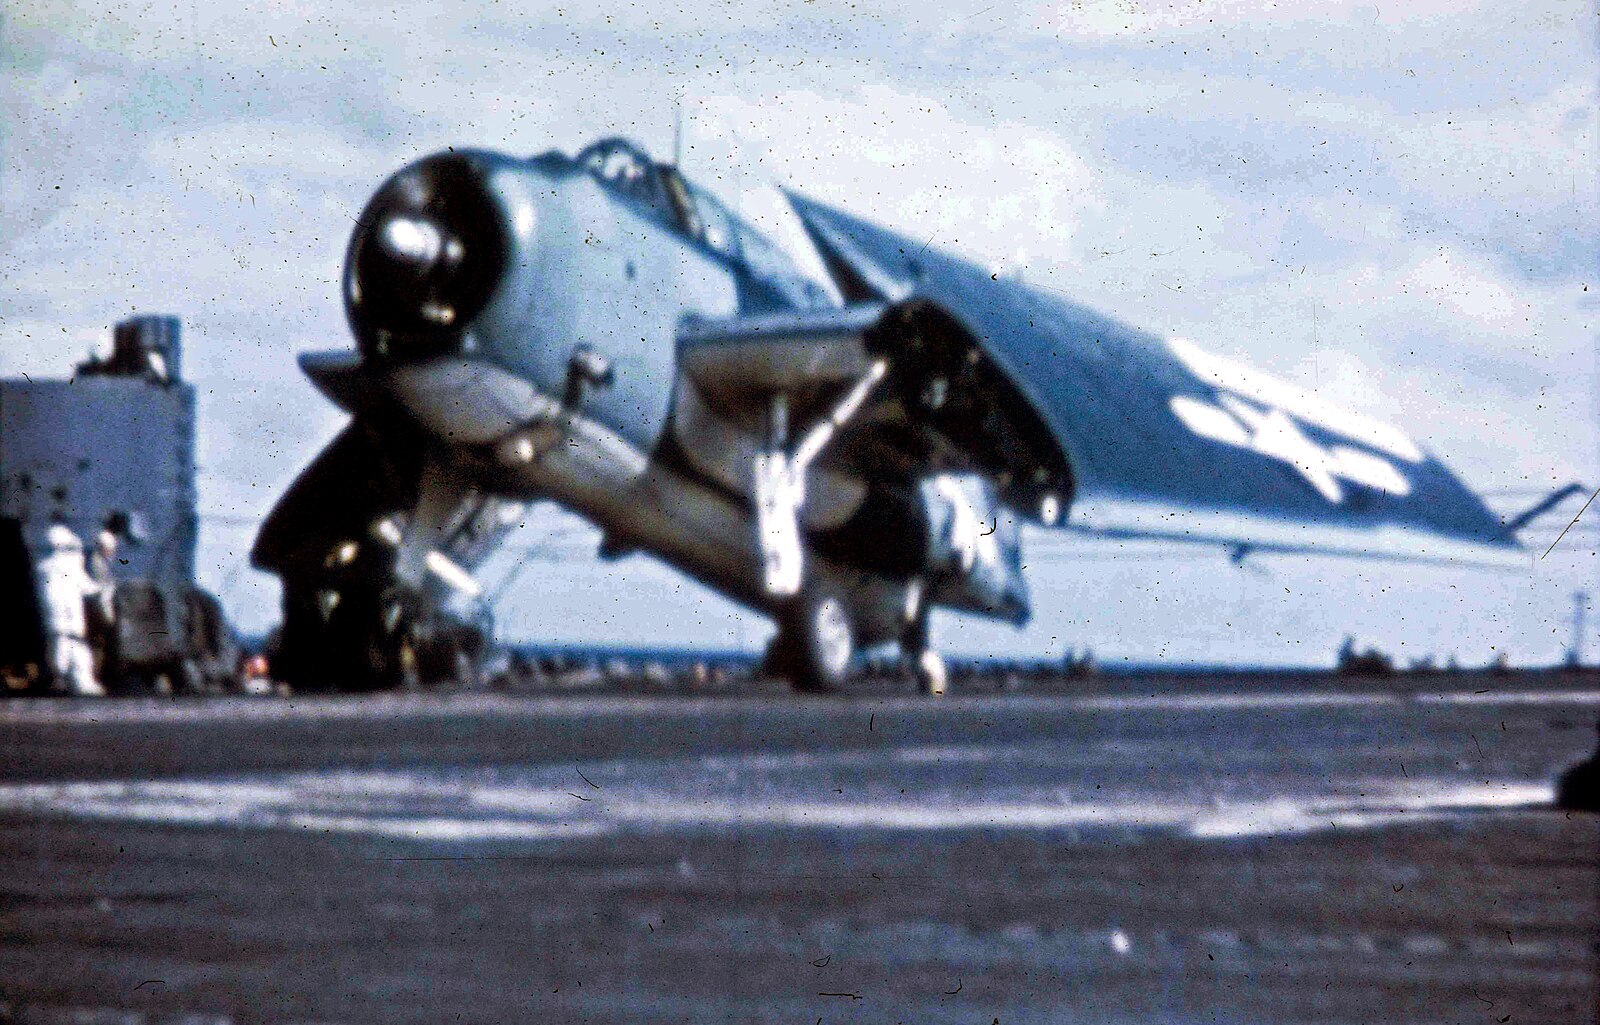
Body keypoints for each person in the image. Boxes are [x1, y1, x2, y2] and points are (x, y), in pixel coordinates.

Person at [34, 523, 104, 696]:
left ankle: (64, 680)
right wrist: (104, 589)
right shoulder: (68, 567)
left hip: (58, 622)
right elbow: (88, 587)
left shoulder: (44, 568)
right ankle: (72, 682)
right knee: (73, 654)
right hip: (68, 621)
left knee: (63, 653)